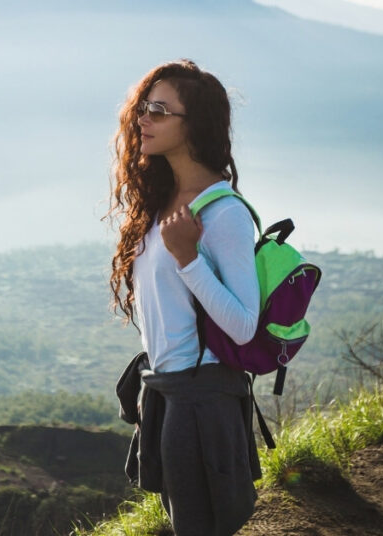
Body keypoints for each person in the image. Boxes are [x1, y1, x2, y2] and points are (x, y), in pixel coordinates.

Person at [108, 59, 261, 535]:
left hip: (204, 397)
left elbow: (243, 325)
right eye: (143, 108)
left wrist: (188, 259)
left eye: (159, 110)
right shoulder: (161, 202)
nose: (143, 120)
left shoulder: (224, 213)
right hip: (171, 390)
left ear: (193, 124)